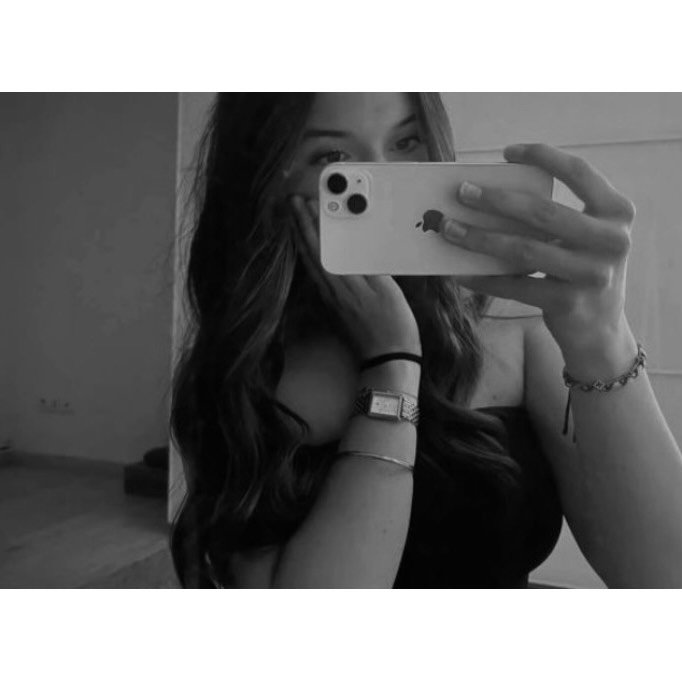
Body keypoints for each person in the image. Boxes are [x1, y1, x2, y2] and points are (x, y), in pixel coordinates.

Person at [169, 92, 682, 588]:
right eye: (333, 157)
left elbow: (664, 580)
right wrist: (392, 361)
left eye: (406, 142)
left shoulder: (516, 330)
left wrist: (601, 335)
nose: (385, 179)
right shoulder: (244, 369)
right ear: (267, 179)